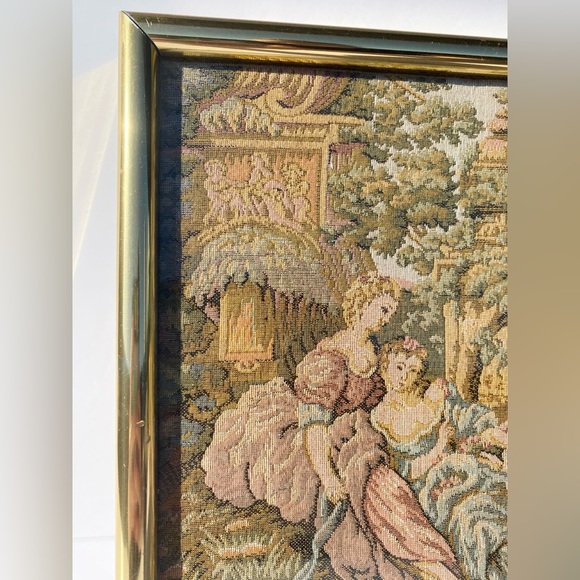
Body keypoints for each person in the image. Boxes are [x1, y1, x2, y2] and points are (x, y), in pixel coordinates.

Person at [202, 274, 461, 579]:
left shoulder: (374, 352)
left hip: (356, 438)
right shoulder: (333, 354)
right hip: (315, 441)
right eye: (382, 309)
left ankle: (430, 557)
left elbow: (384, 403)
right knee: (370, 488)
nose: (385, 319)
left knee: (381, 479)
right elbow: (314, 423)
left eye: (390, 313)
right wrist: (327, 475)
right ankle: (425, 558)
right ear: (362, 304)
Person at [371, 338, 508, 580]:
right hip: (429, 486)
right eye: (399, 367)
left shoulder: (432, 393)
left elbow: (465, 418)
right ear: (385, 367)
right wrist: (438, 448)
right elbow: (402, 472)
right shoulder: (380, 417)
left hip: (461, 465)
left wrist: (491, 434)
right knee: (469, 518)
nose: (404, 376)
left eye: (413, 371)